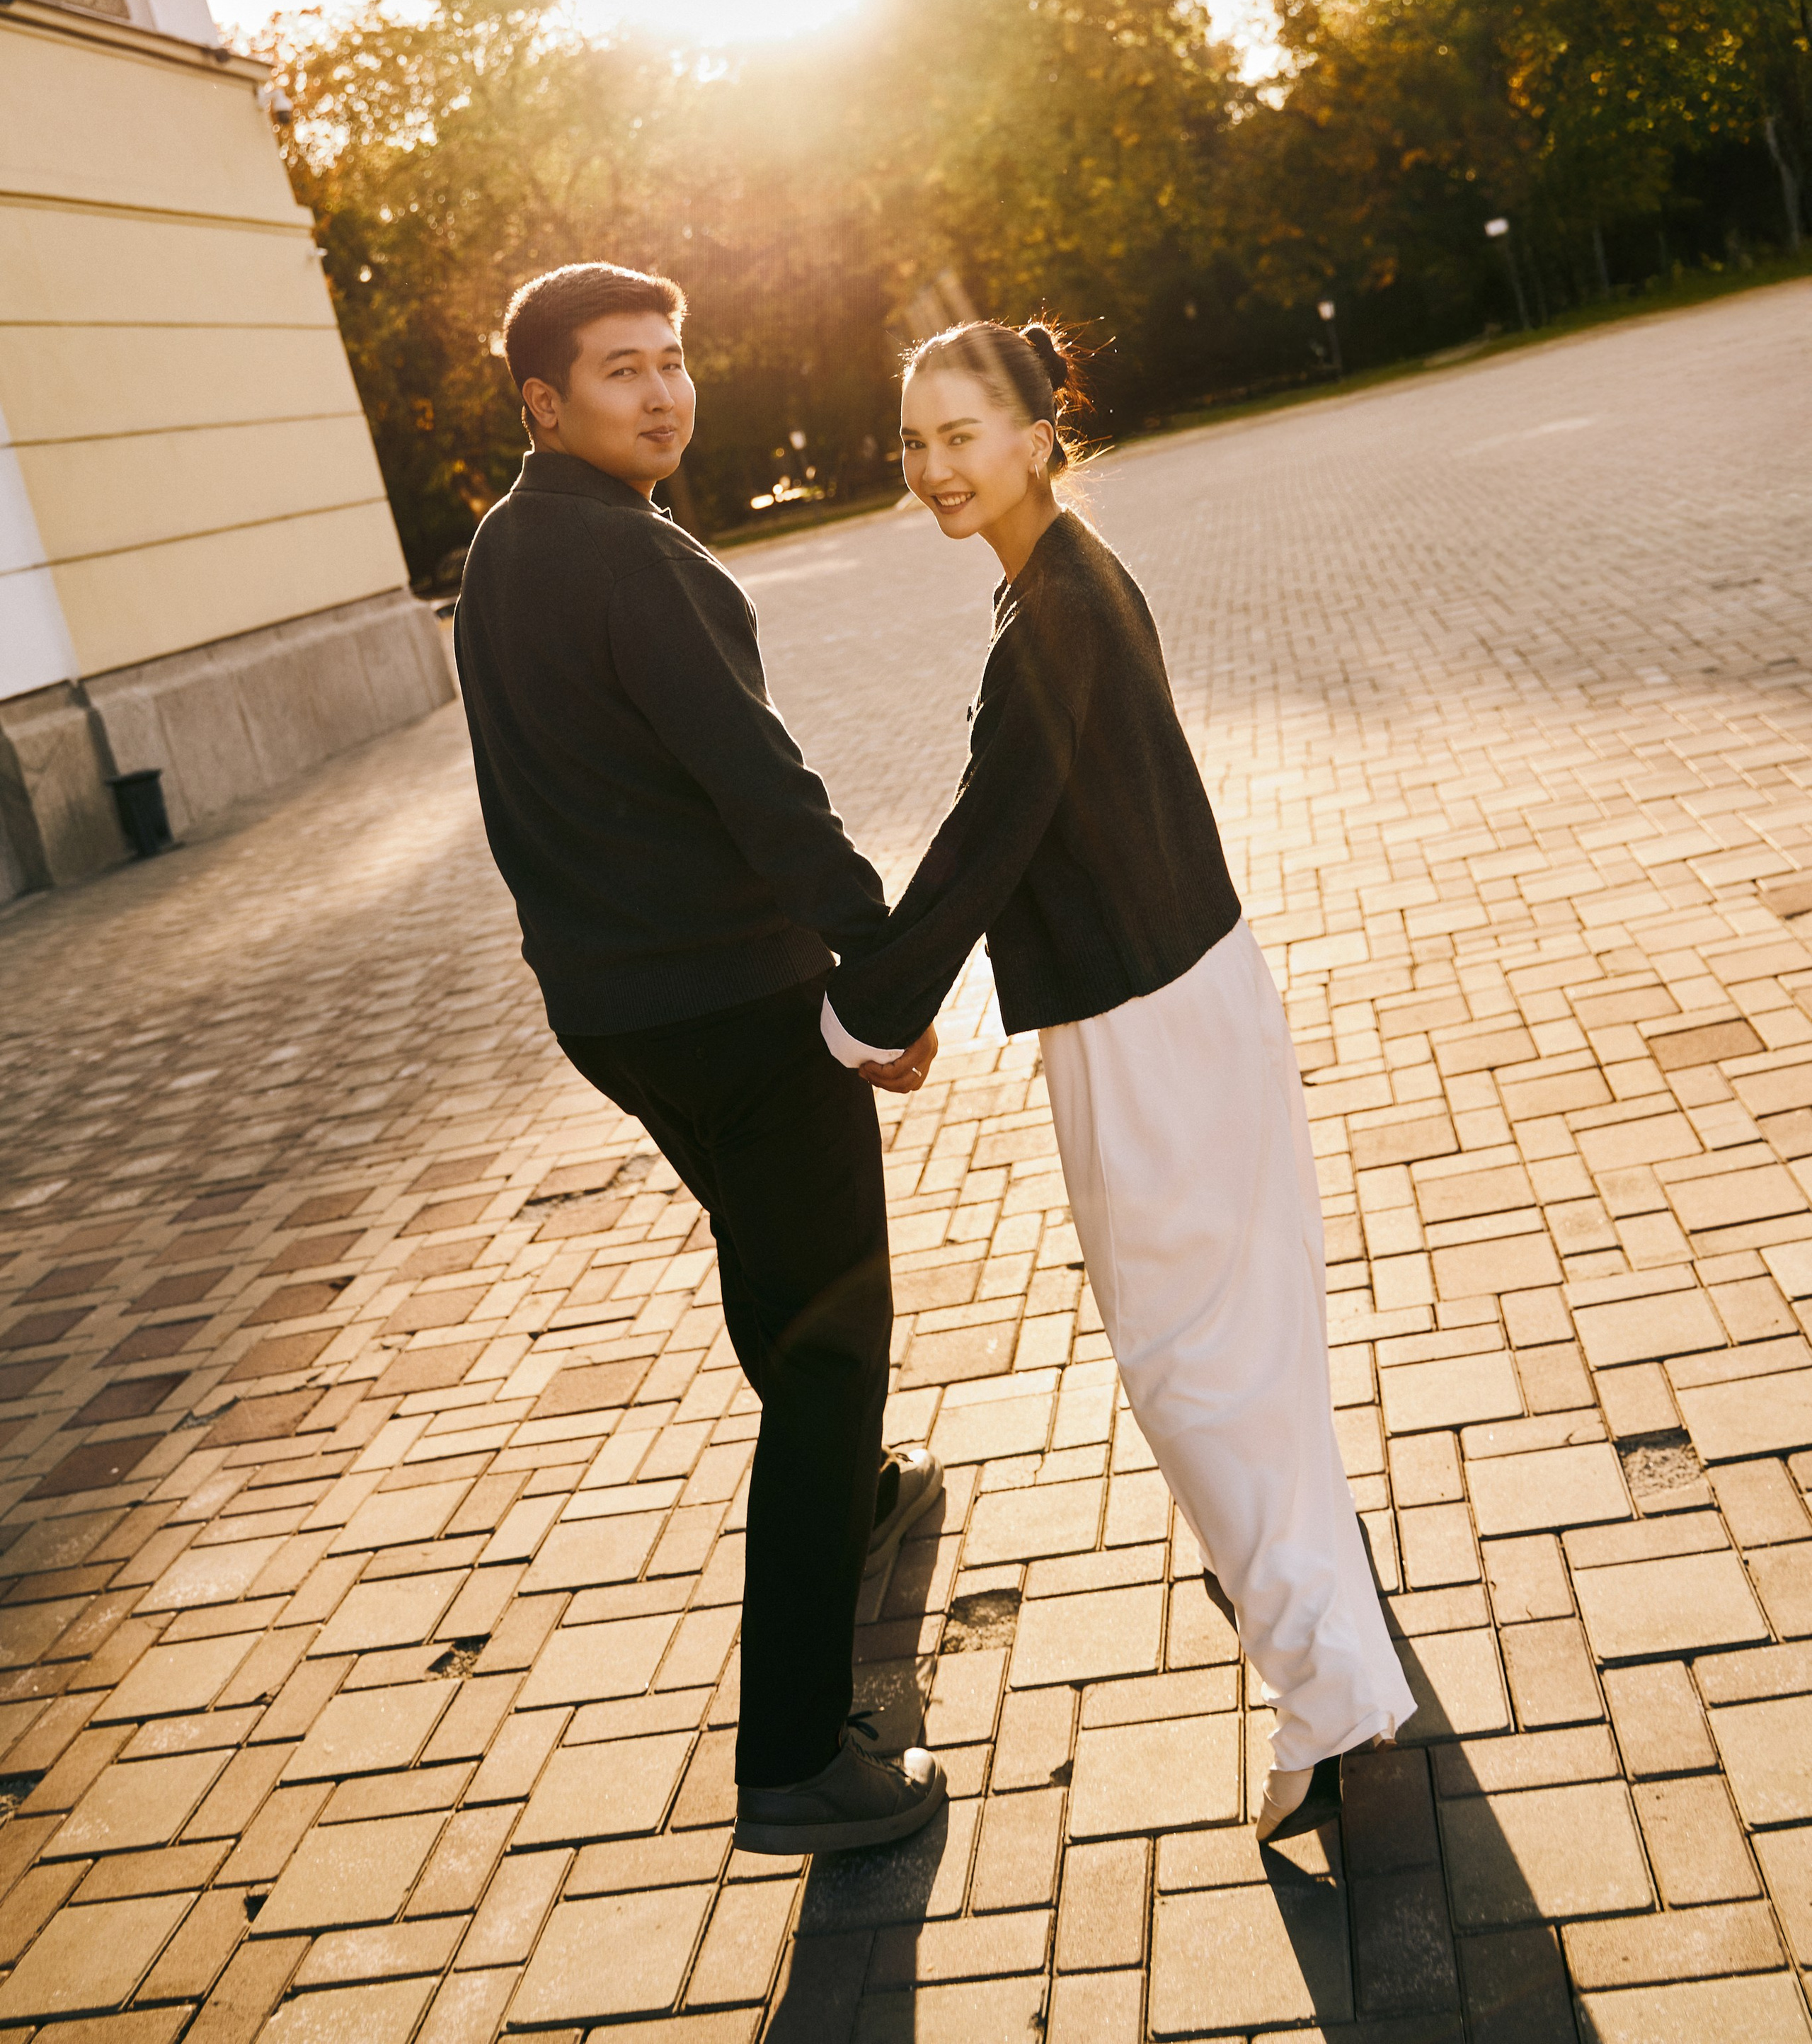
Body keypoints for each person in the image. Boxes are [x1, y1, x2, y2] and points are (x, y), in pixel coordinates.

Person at [820, 318, 1414, 1840]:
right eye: (911, 441)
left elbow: (984, 832)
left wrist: (863, 1011)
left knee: (1191, 1373)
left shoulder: (1056, 612)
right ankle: (1340, 1658)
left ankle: (1329, 1700)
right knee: (1247, 1356)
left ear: (1035, 432)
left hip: (1150, 1030)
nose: (932, 468)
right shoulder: (1066, 573)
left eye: (960, 435)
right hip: (1186, 997)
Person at [454, 259, 946, 1857]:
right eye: (619, 371)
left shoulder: (504, 547)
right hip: (736, 1004)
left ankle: (856, 1501)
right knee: (826, 1347)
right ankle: (796, 1755)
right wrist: (878, 972)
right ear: (544, 401)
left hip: (612, 1016)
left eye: (671, 360)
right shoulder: (631, 560)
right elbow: (763, 782)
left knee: (769, 1267)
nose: (661, 391)